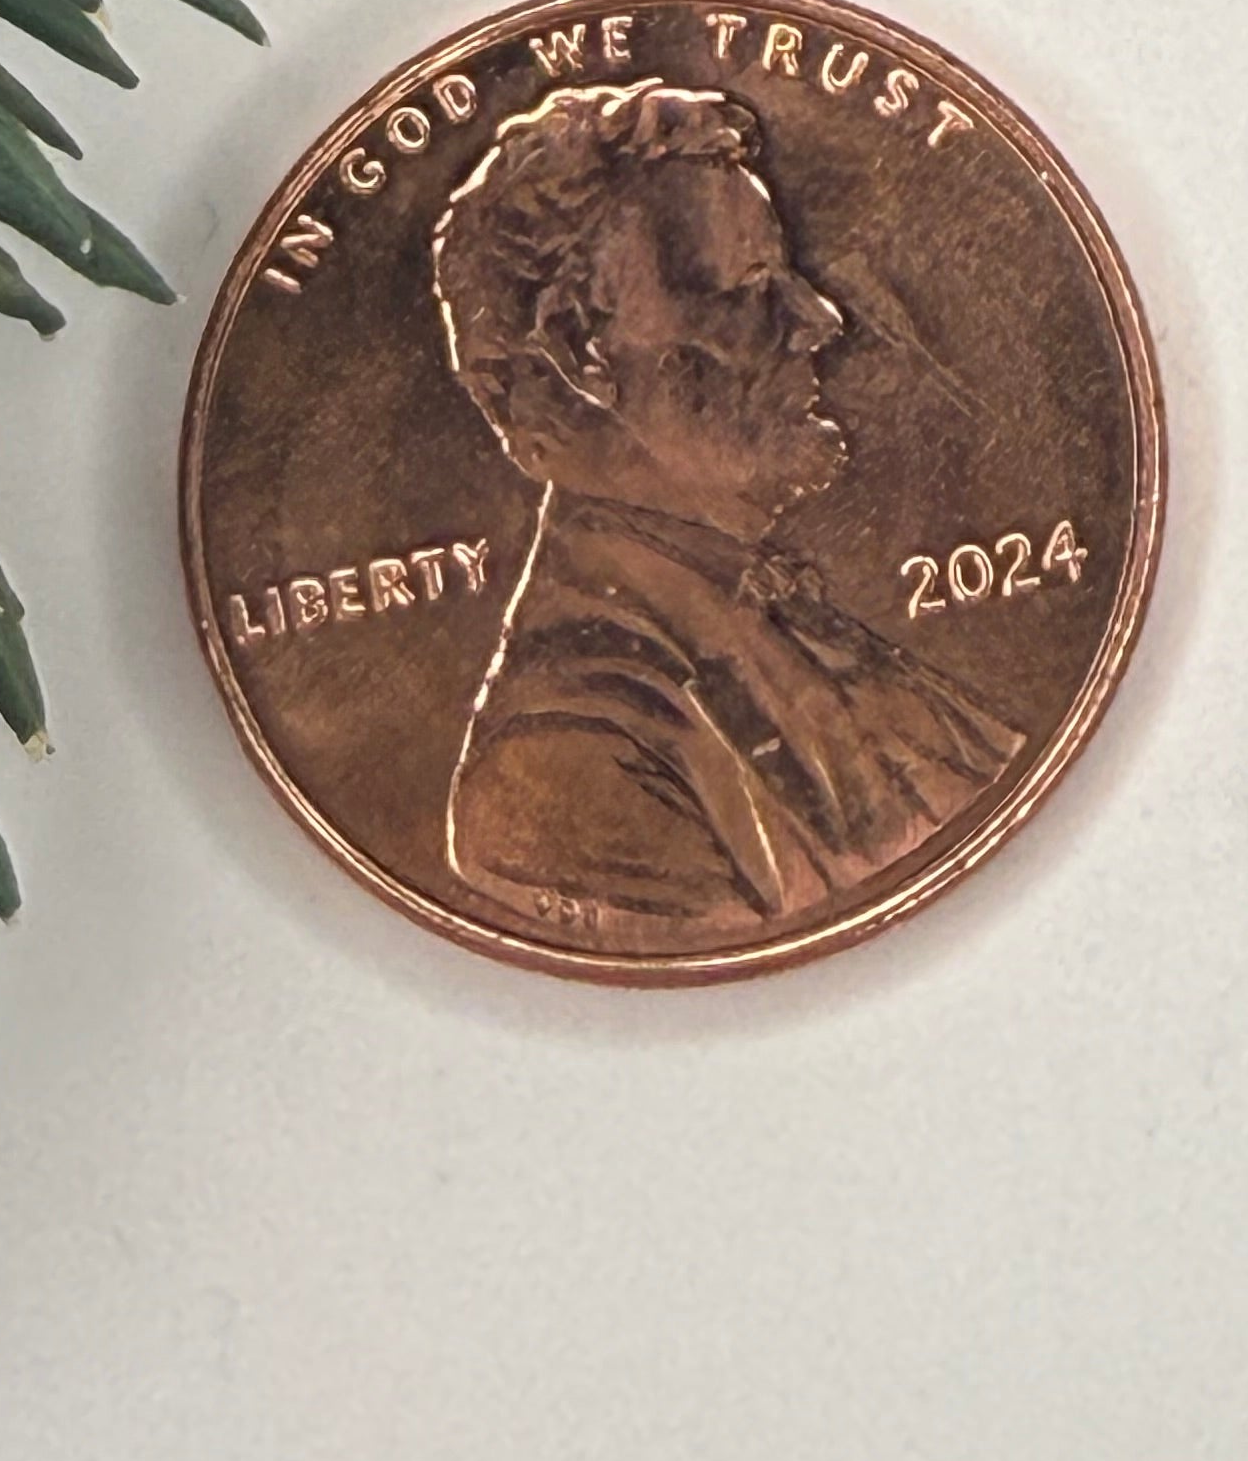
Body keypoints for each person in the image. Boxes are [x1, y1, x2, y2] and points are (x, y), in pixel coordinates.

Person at [431, 78, 1023, 953]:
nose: (818, 319)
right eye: (749, 287)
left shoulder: (777, 622)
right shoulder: (568, 765)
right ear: (578, 351)